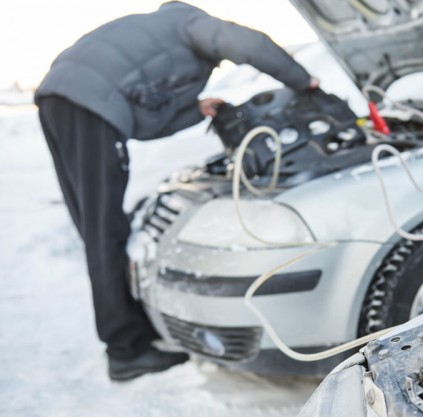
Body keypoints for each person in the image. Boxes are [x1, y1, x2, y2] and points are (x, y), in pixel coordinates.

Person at [34, 1, 319, 381]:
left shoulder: (149, 37)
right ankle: (124, 350)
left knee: (98, 226)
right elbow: (247, 43)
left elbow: (141, 117)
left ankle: (131, 330)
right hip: (87, 104)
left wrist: (192, 109)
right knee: (105, 230)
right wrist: (303, 81)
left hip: (59, 98)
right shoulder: (188, 22)